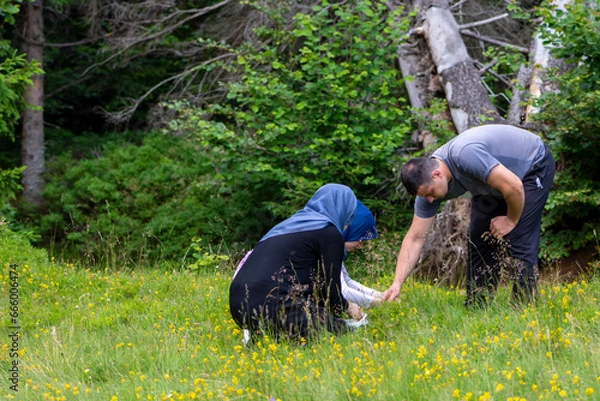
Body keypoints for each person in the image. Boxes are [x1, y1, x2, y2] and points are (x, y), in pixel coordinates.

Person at [383, 124, 555, 307]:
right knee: (480, 238)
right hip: (493, 182)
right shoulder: (427, 189)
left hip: (531, 166)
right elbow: (415, 238)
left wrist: (510, 220)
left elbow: (514, 186)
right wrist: (397, 283)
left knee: (519, 236)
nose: (430, 200)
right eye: (425, 196)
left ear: (436, 174)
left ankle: (523, 308)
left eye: (430, 193)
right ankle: (477, 306)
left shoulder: (466, 155)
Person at [229, 183, 361, 341]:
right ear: (343, 210)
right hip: (274, 304)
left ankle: (261, 335)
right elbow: (330, 293)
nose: (347, 224)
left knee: (309, 323)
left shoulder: (286, 226)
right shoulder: (329, 233)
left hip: (238, 306)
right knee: (345, 334)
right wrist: (349, 306)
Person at [340, 200, 383, 310]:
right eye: (361, 239)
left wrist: (378, 295)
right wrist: (381, 303)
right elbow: (343, 291)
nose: (360, 246)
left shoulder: (335, 249)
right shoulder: (326, 247)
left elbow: (346, 281)